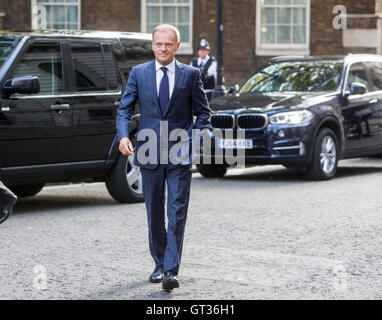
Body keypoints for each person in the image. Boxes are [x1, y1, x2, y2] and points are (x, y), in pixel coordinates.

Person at [116, 24, 210, 291]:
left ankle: (171, 270)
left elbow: (204, 113)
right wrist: (124, 136)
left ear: (177, 46)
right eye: (159, 44)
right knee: (154, 212)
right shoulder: (139, 74)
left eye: (168, 44)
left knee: (177, 211)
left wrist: (198, 138)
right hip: (149, 151)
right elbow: (124, 109)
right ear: (152, 45)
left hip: (180, 153)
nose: (163, 49)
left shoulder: (191, 75)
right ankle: (159, 262)